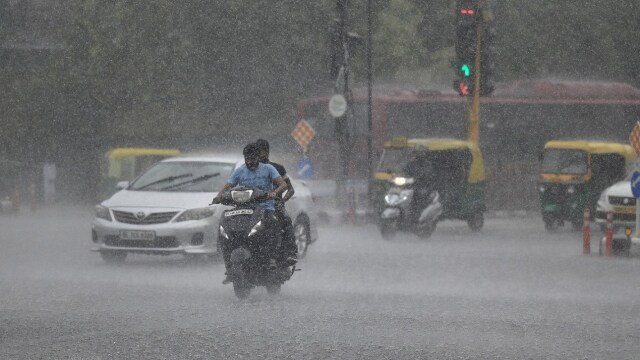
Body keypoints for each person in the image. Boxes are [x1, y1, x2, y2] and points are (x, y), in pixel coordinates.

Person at [213, 142, 288, 284]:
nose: (250, 162)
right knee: (225, 230)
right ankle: (230, 267)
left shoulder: (268, 169)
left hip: (265, 208)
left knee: (273, 223)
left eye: (252, 159)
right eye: (247, 159)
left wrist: (274, 192)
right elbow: (227, 186)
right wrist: (219, 196)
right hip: (243, 208)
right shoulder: (240, 171)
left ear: (258, 158)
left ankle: (272, 258)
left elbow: (283, 184)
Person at [254, 139, 298, 265]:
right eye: (257, 151)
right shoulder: (249, 169)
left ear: (267, 151)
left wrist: (281, 201)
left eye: (262, 150)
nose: (259, 154)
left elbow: (290, 190)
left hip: (274, 206)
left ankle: (290, 253)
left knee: (286, 221)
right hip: (253, 206)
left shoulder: (278, 168)